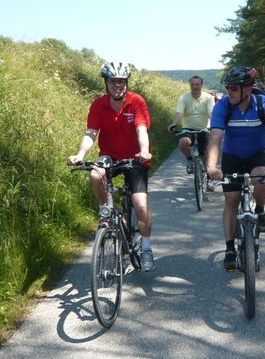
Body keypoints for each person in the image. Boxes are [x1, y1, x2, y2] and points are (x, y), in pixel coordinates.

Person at [67, 61, 155, 271]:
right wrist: (80, 154)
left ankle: (146, 246)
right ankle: (104, 211)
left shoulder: (136, 102)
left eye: (122, 81)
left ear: (126, 83)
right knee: (96, 175)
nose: (118, 85)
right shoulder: (99, 104)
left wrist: (144, 150)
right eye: (114, 81)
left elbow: (141, 129)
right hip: (109, 156)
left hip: (135, 158)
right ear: (106, 83)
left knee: (140, 206)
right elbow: (91, 133)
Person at [207, 66, 265, 271]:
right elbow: (216, 137)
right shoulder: (223, 106)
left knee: (261, 179)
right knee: (231, 199)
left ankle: (259, 210)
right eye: (227, 88)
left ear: (248, 89)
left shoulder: (264, 104)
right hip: (232, 156)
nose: (229, 92)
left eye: (234, 88)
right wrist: (211, 166)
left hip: (257, 154)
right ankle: (229, 248)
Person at [168, 76, 214, 174]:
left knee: (207, 149)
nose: (195, 87)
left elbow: (211, 113)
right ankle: (190, 160)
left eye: (197, 84)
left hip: (204, 128)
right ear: (190, 85)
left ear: (201, 85)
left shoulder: (209, 98)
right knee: (183, 142)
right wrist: (174, 123)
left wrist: (215, 124)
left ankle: (208, 176)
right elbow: (179, 112)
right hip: (188, 129)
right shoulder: (184, 97)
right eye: (192, 84)